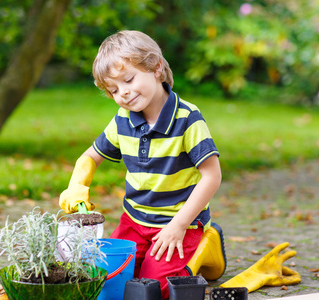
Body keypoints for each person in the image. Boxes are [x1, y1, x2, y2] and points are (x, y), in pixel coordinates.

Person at [59, 30, 226, 299]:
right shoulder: (123, 118)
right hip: (134, 220)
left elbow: (211, 177)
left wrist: (179, 225)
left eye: (128, 79)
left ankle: (206, 245)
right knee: (107, 276)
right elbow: (91, 155)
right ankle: (156, 255)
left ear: (156, 67)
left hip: (178, 222)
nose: (123, 93)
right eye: (113, 90)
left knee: (151, 289)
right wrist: (77, 184)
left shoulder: (187, 119)